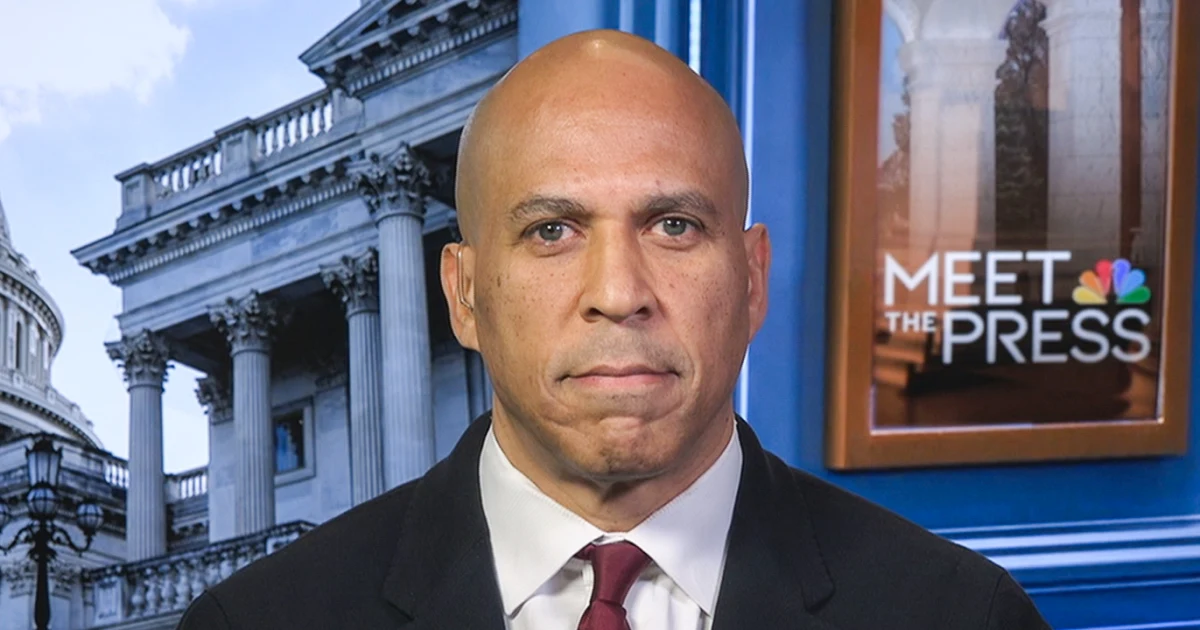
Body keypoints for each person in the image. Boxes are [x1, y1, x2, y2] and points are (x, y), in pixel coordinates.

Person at [177, 29, 1051, 629]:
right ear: (464, 295)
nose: (618, 292)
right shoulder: (257, 622)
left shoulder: (960, 616)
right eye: (551, 231)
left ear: (752, 281)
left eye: (674, 226)